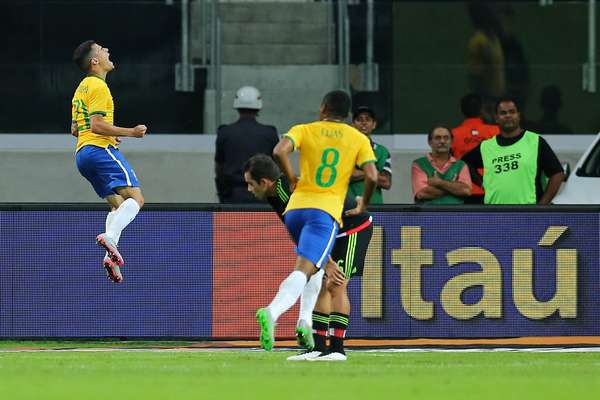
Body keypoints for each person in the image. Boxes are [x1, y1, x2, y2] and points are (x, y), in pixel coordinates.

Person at [255, 90, 378, 358]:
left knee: (331, 282)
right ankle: (322, 346)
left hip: (329, 220)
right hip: (329, 213)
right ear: (347, 115)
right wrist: (363, 202)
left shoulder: (304, 129)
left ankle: (332, 347)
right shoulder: (358, 138)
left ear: (322, 108)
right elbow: (372, 175)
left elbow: (280, 150)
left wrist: (291, 178)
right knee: (322, 279)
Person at [244, 154, 374, 361]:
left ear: (265, 182)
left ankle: (338, 350)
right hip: (329, 227)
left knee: (335, 285)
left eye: (250, 184)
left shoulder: (284, 194)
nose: (249, 190)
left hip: (353, 229)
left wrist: (327, 262)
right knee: (320, 283)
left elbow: (307, 225)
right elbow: (301, 230)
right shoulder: (277, 193)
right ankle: (318, 348)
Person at [71, 40, 147, 283]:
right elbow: (96, 125)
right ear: (95, 61)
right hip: (99, 149)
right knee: (136, 199)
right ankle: (110, 238)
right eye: (103, 50)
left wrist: (109, 132)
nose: (108, 52)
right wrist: (131, 132)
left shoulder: (81, 87)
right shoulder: (99, 86)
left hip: (82, 155)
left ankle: (109, 256)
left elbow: (76, 128)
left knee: (118, 205)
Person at [462, 97, 565, 204]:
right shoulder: (486, 147)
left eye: (512, 112)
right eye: (503, 113)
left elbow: (558, 174)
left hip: (528, 214)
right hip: (494, 213)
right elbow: (465, 163)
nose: (508, 115)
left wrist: (541, 207)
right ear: (496, 118)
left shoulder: (535, 141)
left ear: (519, 116)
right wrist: (482, 182)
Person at [214, 86, 279, 203]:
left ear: (237, 105)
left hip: (233, 196)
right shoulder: (270, 133)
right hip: (262, 196)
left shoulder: (225, 132)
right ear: (258, 106)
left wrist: (223, 194)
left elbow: (219, 168)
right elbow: (276, 168)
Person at [452, 93, 500, 204]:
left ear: (461, 110)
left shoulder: (452, 135)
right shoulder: (496, 131)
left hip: (463, 191)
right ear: (482, 109)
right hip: (491, 190)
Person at [412, 126, 472, 204]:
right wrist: (454, 187)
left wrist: (439, 183)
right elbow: (422, 193)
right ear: (430, 142)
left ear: (451, 142)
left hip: (455, 214)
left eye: (446, 138)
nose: (442, 141)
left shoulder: (461, 165)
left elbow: (466, 191)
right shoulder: (419, 164)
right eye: (438, 138)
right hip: (428, 214)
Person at [348, 106, 392, 204]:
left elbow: (386, 182)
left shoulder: (383, 151)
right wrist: (372, 173)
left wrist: (361, 173)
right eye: (359, 119)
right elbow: (345, 175)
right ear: (353, 125)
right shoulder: (345, 149)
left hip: (375, 206)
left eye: (368, 119)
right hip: (349, 206)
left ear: (374, 124)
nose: (364, 123)